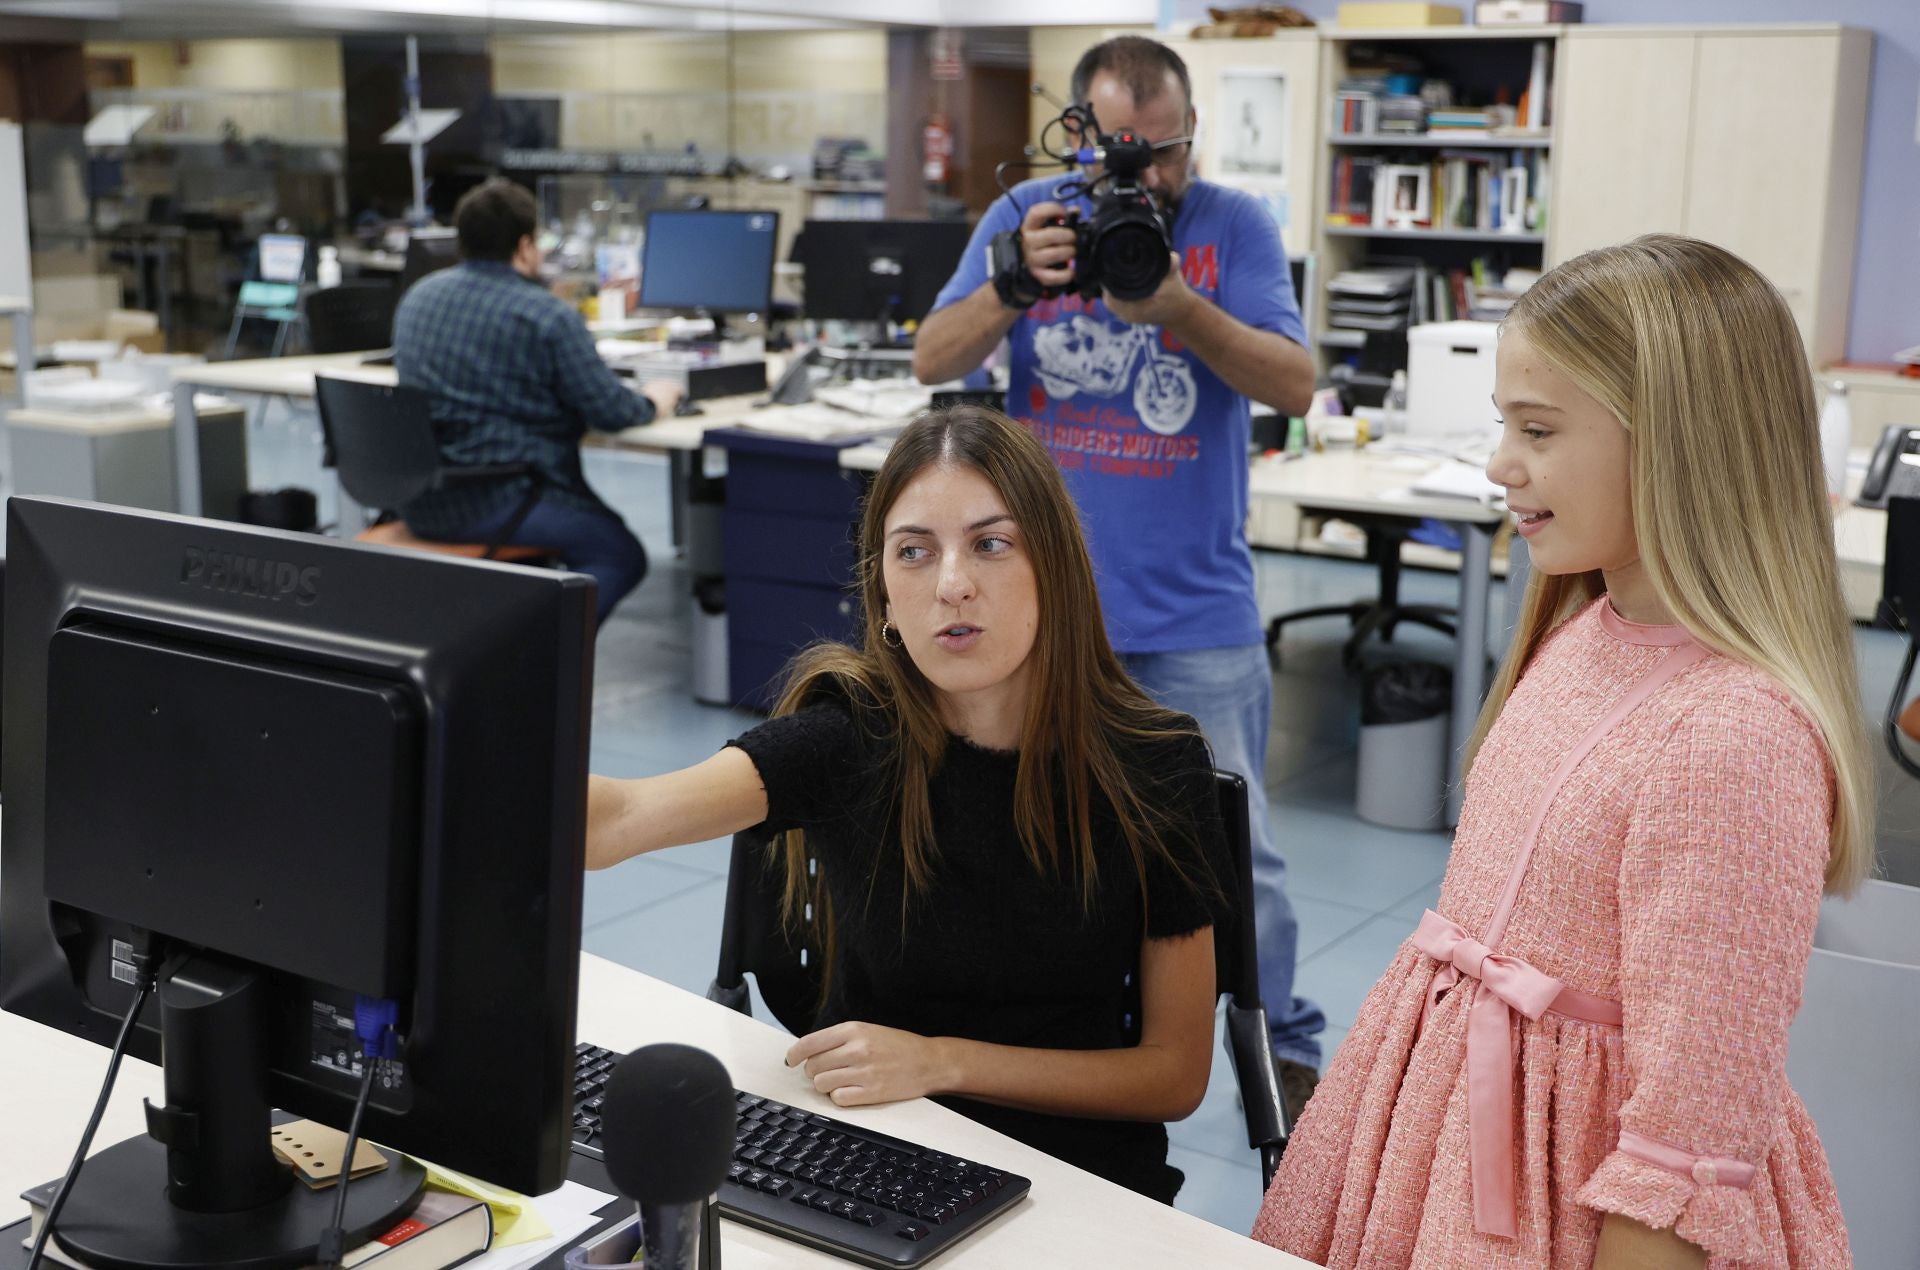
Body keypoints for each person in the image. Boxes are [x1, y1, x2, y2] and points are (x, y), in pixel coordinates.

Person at [1253, 234, 1871, 1268]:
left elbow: (1687, 1144)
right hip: (1441, 1146)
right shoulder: (1582, 629)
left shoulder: (1736, 740)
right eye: (1505, 425)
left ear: (1682, 443)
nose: (1501, 466)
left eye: (1537, 430)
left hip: (1571, 1210)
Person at [586, 406, 1224, 1203]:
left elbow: (1173, 1074)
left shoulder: (1155, 767)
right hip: (870, 1152)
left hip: (1077, 1177)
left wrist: (941, 1060)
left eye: (991, 544)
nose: (952, 584)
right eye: (914, 553)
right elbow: (617, 819)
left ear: (1054, 569)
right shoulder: (846, 735)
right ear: (883, 597)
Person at [913, 34, 1326, 1116]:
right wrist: (1011, 285)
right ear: (1081, 137)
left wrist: (1182, 310)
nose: (1146, 180)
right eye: (1122, 157)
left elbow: (1295, 384)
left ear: (1192, 134)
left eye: (1166, 154)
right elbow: (932, 359)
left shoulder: (1233, 225)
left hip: (1194, 610)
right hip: (1040, 609)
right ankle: (1059, 1025)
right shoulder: (1028, 218)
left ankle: (1278, 1045)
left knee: (1242, 857)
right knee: (1028, 829)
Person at [392, 177, 681, 627]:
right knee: (620, 554)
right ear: (525, 247)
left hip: (418, 497)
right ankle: (535, 657)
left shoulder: (418, 298)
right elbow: (611, 411)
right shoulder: (546, 315)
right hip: (503, 502)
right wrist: (655, 398)